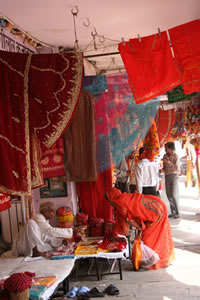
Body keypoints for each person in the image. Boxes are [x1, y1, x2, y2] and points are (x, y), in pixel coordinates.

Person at [105, 187, 175, 270]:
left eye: (108, 201)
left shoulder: (119, 203)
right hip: (157, 204)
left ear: (111, 198)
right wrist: (139, 229)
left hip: (155, 212)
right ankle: (163, 259)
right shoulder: (124, 197)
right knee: (159, 235)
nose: (109, 203)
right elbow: (134, 211)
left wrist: (140, 229)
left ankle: (153, 263)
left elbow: (129, 219)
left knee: (149, 238)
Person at [162, 142, 180, 219]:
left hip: (174, 176)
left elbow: (176, 168)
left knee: (173, 194)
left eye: (166, 148)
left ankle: (177, 212)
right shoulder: (164, 156)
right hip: (167, 176)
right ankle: (173, 212)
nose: (165, 149)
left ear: (170, 148)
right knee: (168, 195)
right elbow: (164, 167)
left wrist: (168, 162)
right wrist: (161, 170)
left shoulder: (175, 156)